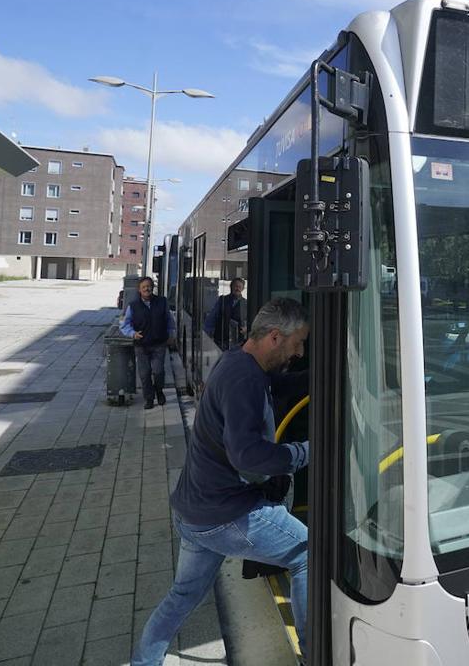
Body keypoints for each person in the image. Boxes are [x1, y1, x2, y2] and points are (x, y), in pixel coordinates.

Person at [132, 298, 311, 665]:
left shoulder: (238, 363)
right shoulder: (244, 378)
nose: (300, 352)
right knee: (309, 554)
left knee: (182, 596)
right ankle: (315, 652)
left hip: (194, 510)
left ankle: (143, 662)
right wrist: (306, 452)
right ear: (276, 337)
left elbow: (276, 386)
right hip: (226, 513)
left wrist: (319, 376)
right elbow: (248, 456)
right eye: (298, 344)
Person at [120, 276, 177, 409]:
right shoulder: (133, 306)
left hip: (159, 344)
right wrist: (133, 333)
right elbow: (124, 325)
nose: (147, 289)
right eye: (144, 287)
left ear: (153, 288)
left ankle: (159, 391)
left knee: (158, 371)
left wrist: (171, 334)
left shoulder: (162, 302)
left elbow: (169, 320)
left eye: (149, 286)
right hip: (141, 346)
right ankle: (149, 398)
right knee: (144, 374)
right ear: (139, 290)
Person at [203, 276, 247, 351]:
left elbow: (250, 320)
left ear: (242, 289)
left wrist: (247, 328)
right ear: (231, 287)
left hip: (238, 341)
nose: (237, 289)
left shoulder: (245, 303)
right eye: (235, 286)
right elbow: (212, 317)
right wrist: (205, 334)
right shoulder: (222, 300)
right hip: (221, 340)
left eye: (240, 287)